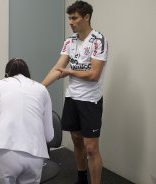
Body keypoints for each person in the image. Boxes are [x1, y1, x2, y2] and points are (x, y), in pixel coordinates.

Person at [42, 1, 109, 184]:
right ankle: (81, 179)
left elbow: (94, 75)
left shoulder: (98, 40)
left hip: (90, 100)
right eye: (69, 18)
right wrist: (39, 87)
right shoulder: (70, 41)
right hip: (72, 97)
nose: (70, 22)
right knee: (77, 140)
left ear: (86, 17)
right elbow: (58, 68)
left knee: (91, 149)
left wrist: (70, 72)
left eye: (74, 18)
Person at [0, 58, 54, 184]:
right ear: (28, 74)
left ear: (6, 74)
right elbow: (49, 136)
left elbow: (1, 112)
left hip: (4, 150)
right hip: (35, 154)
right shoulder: (42, 89)